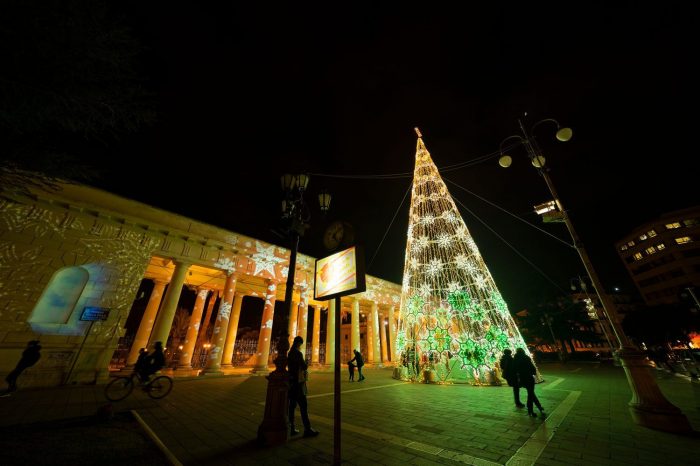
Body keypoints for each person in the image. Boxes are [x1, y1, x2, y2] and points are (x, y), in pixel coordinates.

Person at [287, 336, 319, 438]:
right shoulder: (298, 353)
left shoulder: (290, 353)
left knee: (291, 407)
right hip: (299, 384)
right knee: (303, 407)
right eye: (301, 344)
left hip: (291, 383)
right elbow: (304, 366)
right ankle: (307, 429)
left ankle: (291, 428)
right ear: (299, 343)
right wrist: (307, 362)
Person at [513, 347, 544, 417]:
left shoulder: (515, 359)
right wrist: (532, 372)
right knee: (530, 394)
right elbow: (532, 369)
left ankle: (539, 407)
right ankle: (531, 410)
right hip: (529, 378)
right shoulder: (526, 358)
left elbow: (515, 369)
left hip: (522, 379)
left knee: (531, 393)